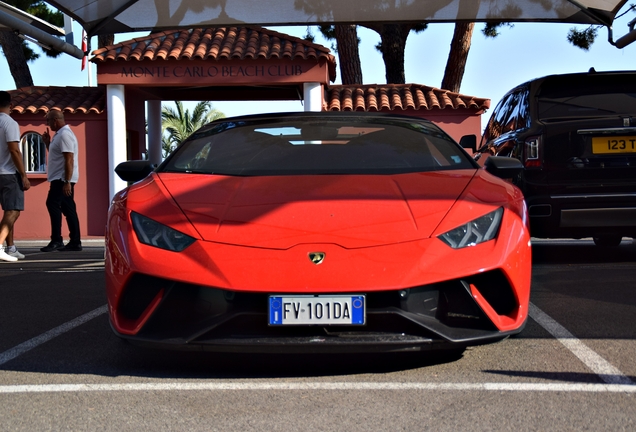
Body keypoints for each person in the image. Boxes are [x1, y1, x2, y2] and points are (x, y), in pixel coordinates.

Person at [40, 110, 82, 252]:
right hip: (61, 178)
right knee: (68, 208)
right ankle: (75, 241)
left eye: (49, 121)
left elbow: (69, 159)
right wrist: (47, 143)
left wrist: (67, 181)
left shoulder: (64, 134)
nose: (48, 124)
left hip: (61, 179)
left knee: (52, 204)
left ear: (55, 120)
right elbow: (58, 156)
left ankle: (57, 240)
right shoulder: (60, 135)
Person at [0, 91, 30, 262]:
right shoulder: (9, 123)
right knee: (13, 211)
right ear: (10, 105)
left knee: (7, 212)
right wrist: (24, 175)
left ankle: (10, 248)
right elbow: (14, 150)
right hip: (9, 174)